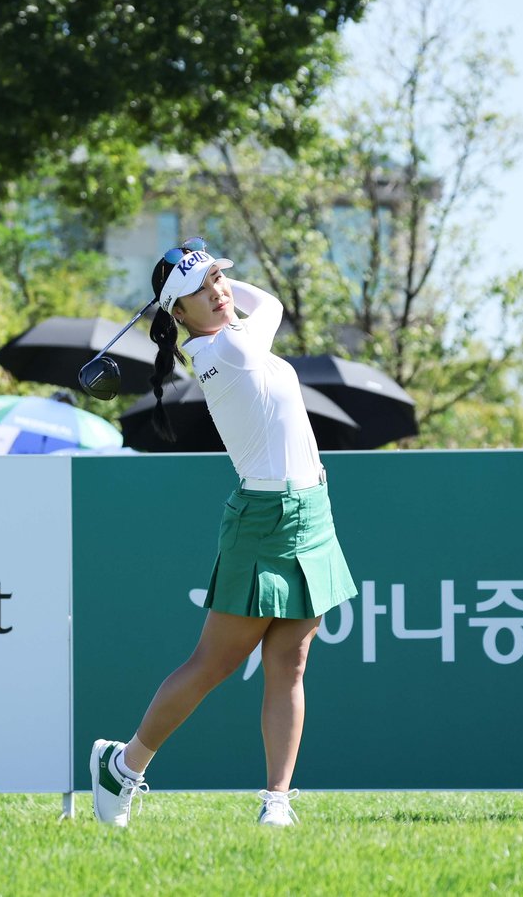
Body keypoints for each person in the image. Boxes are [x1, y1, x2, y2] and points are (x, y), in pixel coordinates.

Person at [90, 241, 357, 829]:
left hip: (311, 510)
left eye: (219, 278)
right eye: (201, 289)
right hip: (265, 518)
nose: (219, 291)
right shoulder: (229, 347)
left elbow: (262, 301)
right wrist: (192, 290)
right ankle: (124, 766)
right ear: (178, 314)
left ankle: (277, 802)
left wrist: (194, 279)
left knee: (290, 664)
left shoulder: (224, 336)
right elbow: (275, 304)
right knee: (213, 662)